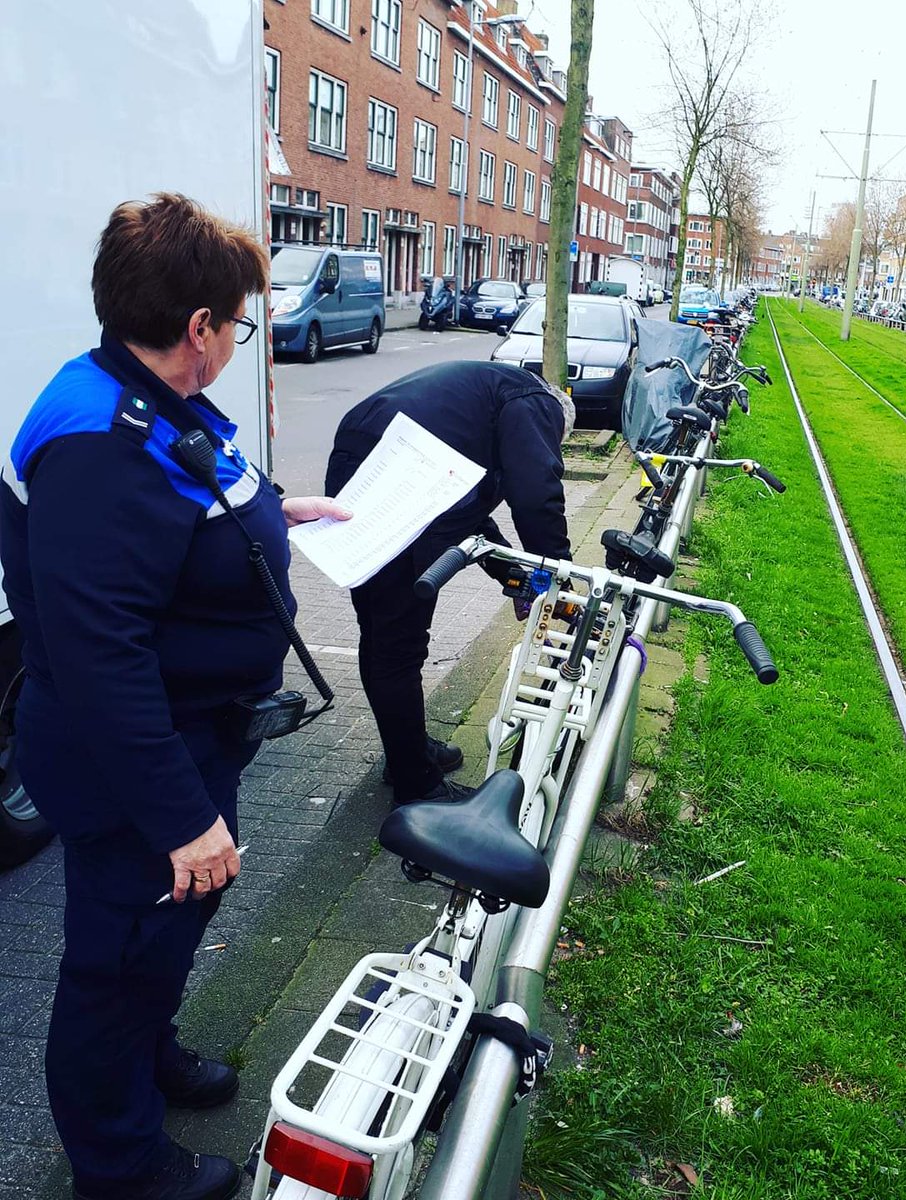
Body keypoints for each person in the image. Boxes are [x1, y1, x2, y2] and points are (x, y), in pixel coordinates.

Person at [0, 195, 349, 1200]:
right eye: (238, 322)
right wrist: (181, 818)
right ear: (199, 328)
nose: (238, 337)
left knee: (162, 932)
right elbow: (97, 657)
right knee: (114, 958)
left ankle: (147, 1056)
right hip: (132, 769)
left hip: (194, 736)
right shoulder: (96, 447)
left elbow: (184, 494)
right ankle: (118, 1162)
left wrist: (274, 512)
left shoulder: (145, 391)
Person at [325, 361, 574, 804]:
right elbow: (536, 496)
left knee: (386, 632)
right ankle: (415, 786)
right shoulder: (536, 403)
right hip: (402, 470)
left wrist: (517, 576)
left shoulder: (487, 398)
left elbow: (467, 519)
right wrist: (560, 577)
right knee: (396, 640)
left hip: (369, 453)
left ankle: (408, 753)